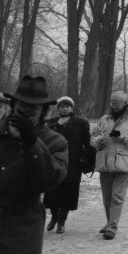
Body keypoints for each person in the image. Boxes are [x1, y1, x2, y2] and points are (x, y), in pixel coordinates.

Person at [0, 76, 67, 254]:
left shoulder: (54, 141)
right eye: (24, 106)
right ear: (13, 105)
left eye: (35, 108)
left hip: (21, 230)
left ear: (43, 111)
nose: (29, 112)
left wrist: (31, 140)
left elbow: (50, 179)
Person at [91, 90, 128, 240]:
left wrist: (124, 138)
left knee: (117, 197)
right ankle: (110, 222)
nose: (114, 107)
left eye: (117, 104)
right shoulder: (104, 119)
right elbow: (94, 136)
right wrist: (98, 141)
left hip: (123, 165)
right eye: (112, 104)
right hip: (105, 164)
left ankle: (112, 228)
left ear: (125, 104)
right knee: (107, 197)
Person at [44, 96, 92, 234]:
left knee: (68, 193)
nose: (64, 109)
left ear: (72, 107)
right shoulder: (51, 122)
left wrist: (90, 160)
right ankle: (54, 216)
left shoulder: (81, 123)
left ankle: (61, 221)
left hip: (73, 163)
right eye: (61, 106)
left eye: (67, 106)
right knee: (53, 191)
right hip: (54, 161)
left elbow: (87, 142)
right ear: (58, 108)